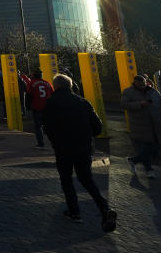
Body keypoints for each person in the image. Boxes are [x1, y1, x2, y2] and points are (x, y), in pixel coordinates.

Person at [43, 74, 116, 231]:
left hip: (63, 148)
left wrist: (55, 140)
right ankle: (104, 207)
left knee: (66, 179)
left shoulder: (51, 103)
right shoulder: (83, 102)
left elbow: (47, 127)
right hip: (84, 147)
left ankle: (74, 211)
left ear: (55, 86)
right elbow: (98, 126)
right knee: (86, 179)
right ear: (70, 86)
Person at [122, 74, 161, 178]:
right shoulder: (128, 92)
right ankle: (149, 170)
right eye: (139, 85)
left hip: (156, 125)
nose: (142, 86)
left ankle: (134, 160)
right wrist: (140, 104)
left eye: (143, 84)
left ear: (146, 82)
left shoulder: (153, 92)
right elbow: (124, 105)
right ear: (134, 83)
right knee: (147, 147)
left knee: (155, 146)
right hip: (140, 126)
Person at [27, 70, 54, 149]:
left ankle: (41, 143)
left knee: (38, 127)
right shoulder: (48, 83)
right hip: (47, 108)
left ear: (34, 76)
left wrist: (29, 106)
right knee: (49, 126)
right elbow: (53, 94)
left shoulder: (31, 83)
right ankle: (54, 142)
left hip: (37, 107)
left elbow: (29, 95)